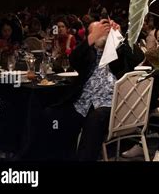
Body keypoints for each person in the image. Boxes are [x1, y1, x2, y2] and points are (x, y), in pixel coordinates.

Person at [45, 19, 144, 161]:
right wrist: (92, 37)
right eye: (98, 30)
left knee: (95, 119)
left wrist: (120, 36)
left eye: (105, 30)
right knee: (51, 114)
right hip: (82, 104)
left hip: (111, 106)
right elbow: (73, 59)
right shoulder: (87, 53)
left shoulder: (119, 52)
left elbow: (139, 57)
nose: (103, 33)